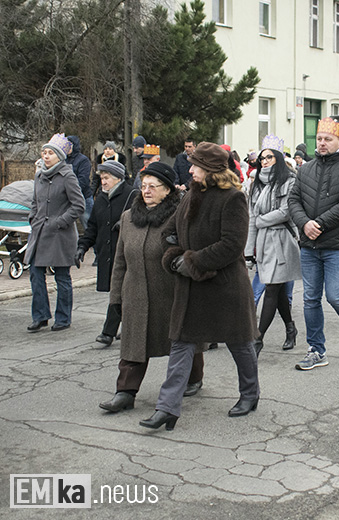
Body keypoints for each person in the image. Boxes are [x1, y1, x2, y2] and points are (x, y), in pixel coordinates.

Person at [140, 143, 259, 431]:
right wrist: (174, 256)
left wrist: (192, 261)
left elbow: (232, 245)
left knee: (240, 343)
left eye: (195, 165)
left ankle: (250, 394)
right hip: (191, 287)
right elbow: (170, 232)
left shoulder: (233, 198)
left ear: (211, 170)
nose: (190, 169)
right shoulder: (189, 196)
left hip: (225, 286)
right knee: (181, 344)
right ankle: (167, 408)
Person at [99, 162, 205, 413]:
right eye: (143, 186)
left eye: (152, 187)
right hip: (135, 292)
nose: (146, 191)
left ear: (167, 190)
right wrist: (116, 297)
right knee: (133, 345)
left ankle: (194, 378)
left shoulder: (180, 217)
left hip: (171, 291)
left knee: (183, 339)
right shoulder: (128, 218)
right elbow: (120, 261)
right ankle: (125, 392)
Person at [288, 117, 339, 371]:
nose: (321, 143)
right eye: (319, 139)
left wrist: (318, 223)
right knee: (310, 298)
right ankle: (316, 350)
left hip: (336, 244)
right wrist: (304, 224)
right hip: (309, 245)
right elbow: (294, 200)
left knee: (334, 295)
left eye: (327, 139)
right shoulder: (306, 169)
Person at [244, 135, 301, 354]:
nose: (265, 161)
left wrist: (261, 220)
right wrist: (249, 252)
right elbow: (251, 219)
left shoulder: (290, 180)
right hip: (263, 243)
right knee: (275, 292)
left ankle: (257, 339)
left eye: (269, 157)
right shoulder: (256, 183)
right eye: (262, 158)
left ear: (277, 157)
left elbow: (286, 212)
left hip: (283, 241)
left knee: (272, 288)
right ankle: (290, 328)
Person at [25, 134, 86, 332]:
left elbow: (79, 205)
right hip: (40, 232)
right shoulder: (39, 175)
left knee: (62, 276)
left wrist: (60, 222)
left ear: (59, 156)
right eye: (44, 153)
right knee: (35, 272)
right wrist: (33, 218)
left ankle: (63, 318)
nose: (46, 156)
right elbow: (35, 201)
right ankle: (40, 316)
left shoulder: (68, 176)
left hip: (60, 234)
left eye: (51, 153)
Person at [76, 160, 137, 346]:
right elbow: (93, 226)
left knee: (120, 293)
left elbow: (143, 218)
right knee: (120, 293)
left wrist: (126, 223)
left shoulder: (132, 195)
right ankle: (129, 327)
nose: (103, 182)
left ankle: (108, 332)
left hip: (127, 254)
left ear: (118, 178)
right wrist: (82, 246)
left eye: (107, 177)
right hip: (107, 254)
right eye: (101, 178)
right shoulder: (101, 198)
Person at [65, 135, 93, 230]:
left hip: (83, 197)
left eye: (69, 145)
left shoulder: (83, 160)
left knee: (88, 223)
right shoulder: (62, 160)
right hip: (66, 198)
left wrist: (72, 192)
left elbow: (83, 180)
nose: (66, 147)